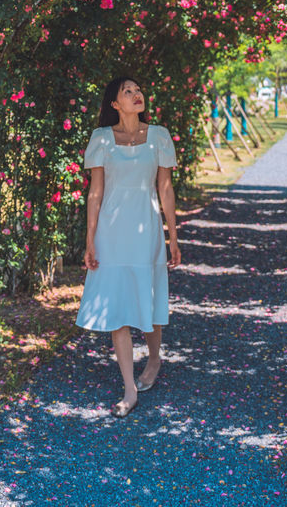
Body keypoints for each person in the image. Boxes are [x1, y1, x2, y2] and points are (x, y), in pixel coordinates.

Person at [75, 76, 181, 418]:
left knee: (147, 298)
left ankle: (153, 358)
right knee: (118, 306)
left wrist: (173, 236)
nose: (138, 94)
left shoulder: (159, 136)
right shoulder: (102, 139)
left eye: (139, 89)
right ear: (115, 104)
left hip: (146, 228)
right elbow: (95, 193)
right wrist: (90, 239)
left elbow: (165, 188)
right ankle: (129, 388)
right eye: (128, 91)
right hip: (111, 232)